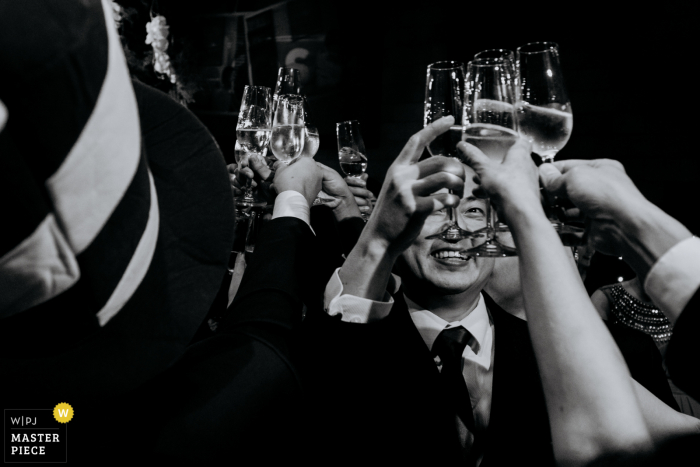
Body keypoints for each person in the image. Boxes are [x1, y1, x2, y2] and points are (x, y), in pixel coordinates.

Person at [300, 117, 684, 466]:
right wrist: (373, 235)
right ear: (401, 225)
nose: (456, 230)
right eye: (435, 209)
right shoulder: (356, 340)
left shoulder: (553, 353)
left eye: (473, 212)